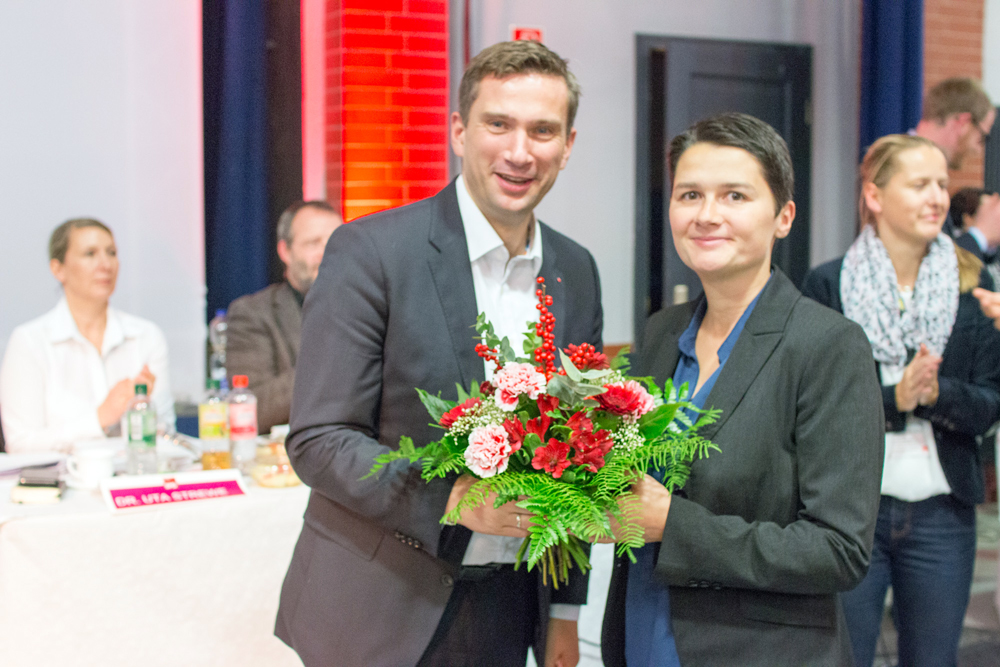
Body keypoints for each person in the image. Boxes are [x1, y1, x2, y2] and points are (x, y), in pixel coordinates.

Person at [275, 40, 603, 667]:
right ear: (459, 130)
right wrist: (453, 499)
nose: (518, 151)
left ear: (567, 145)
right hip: (381, 605)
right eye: (497, 124)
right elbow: (318, 438)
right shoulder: (372, 252)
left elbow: (582, 455)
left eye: (542, 131)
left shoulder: (576, 271)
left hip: (513, 606)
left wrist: (564, 613)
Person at [600, 113, 885, 666]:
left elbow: (840, 550)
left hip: (760, 650)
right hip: (641, 633)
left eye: (735, 196)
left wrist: (672, 525)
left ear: (783, 217)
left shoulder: (828, 345)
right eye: (690, 194)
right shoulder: (661, 333)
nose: (707, 215)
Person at [802, 134, 1000, 667]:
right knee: (840, 658)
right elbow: (813, 409)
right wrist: (894, 399)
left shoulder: (974, 285)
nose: (936, 197)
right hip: (849, 514)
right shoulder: (829, 285)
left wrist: (935, 395)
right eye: (919, 185)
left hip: (942, 516)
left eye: (942, 184)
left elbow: (988, 404)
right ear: (874, 195)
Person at [0, 218, 174, 453]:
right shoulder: (30, 341)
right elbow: (20, 444)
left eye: (111, 253)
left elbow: (165, 434)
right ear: (58, 269)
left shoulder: (146, 336)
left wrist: (144, 411)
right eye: (90, 254)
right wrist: (99, 418)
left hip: (132, 480)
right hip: (59, 485)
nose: (105, 264)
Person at [225, 200, 342, 432]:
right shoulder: (253, 313)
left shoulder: (370, 306)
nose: (326, 252)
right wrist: (336, 361)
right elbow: (251, 408)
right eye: (313, 243)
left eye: (335, 242)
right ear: (285, 251)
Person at [912, 77, 995, 237]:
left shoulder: (919, 166)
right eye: (982, 137)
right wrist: (981, 235)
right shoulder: (903, 166)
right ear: (964, 123)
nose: (979, 150)